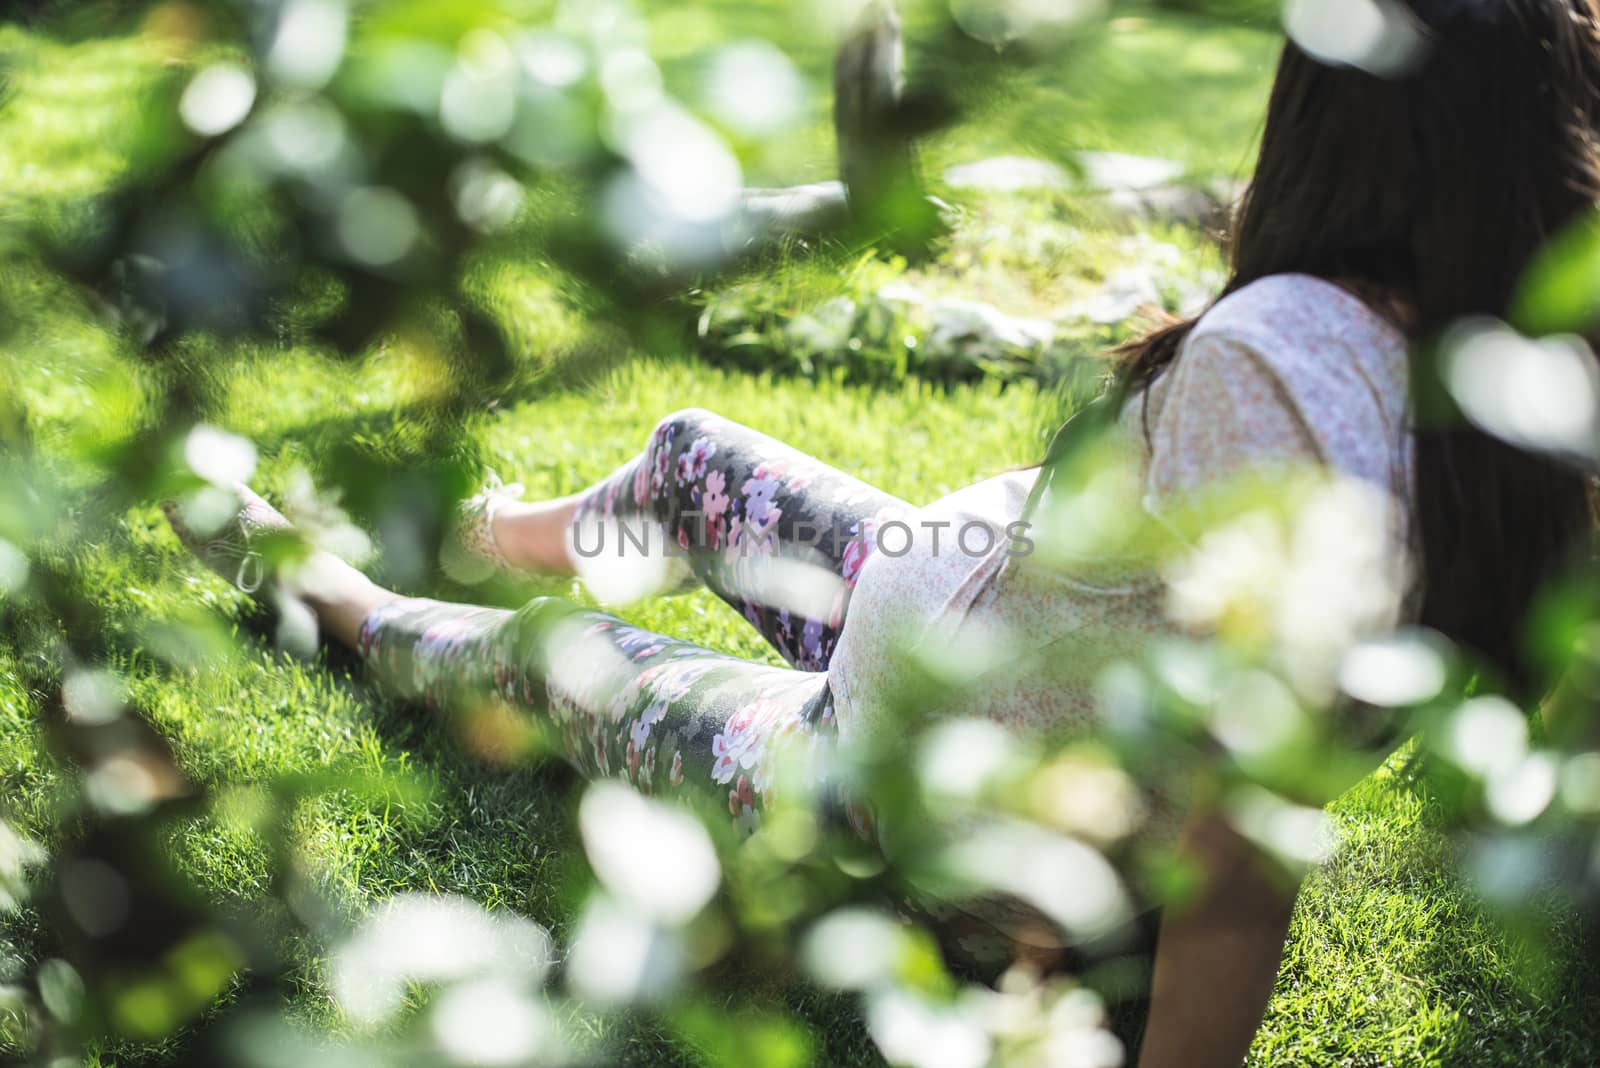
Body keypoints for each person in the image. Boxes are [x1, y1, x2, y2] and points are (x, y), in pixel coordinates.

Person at [166, 1, 1600, 1064]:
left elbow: (1239, 826)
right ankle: (487, 532)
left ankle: (340, 595)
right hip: (954, 605)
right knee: (691, 459)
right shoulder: (1520, 368)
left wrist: (1054, 948)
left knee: (564, 664)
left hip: (901, 781)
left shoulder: (1288, 350)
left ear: (1333, 109)